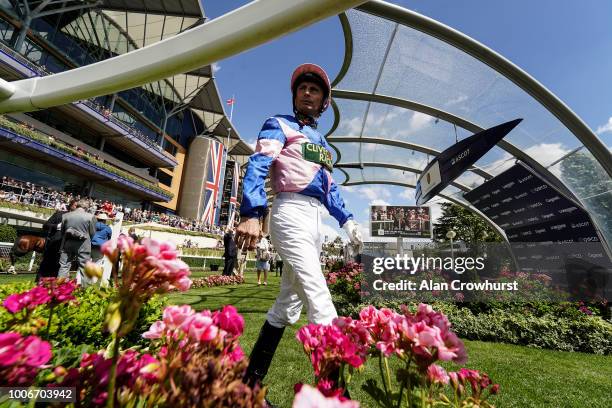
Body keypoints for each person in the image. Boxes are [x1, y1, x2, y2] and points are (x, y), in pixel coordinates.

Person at [236, 63, 363, 399]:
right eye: (302, 88)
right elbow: (260, 164)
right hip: (289, 212)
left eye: (315, 89)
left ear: (324, 101)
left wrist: (347, 220)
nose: (308, 93)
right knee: (321, 301)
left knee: (287, 307)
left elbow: (328, 187)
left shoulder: (322, 142)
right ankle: (336, 399)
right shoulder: (277, 124)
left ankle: (248, 388)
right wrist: (251, 211)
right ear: (295, 95)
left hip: (316, 220)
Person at [58, 198, 96, 286]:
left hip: (68, 243)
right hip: (83, 244)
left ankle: (60, 289)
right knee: (84, 267)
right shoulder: (90, 217)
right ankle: (85, 290)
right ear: (87, 207)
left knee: (64, 266)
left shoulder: (66, 216)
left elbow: (62, 232)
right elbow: (92, 233)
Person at [37, 199, 77, 280]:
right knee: (46, 267)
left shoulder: (79, 219)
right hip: (53, 246)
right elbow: (45, 226)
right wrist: (56, 226)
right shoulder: (59, 214)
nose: (77, 208)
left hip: (68, 249)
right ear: (71, 205)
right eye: (76, 205)